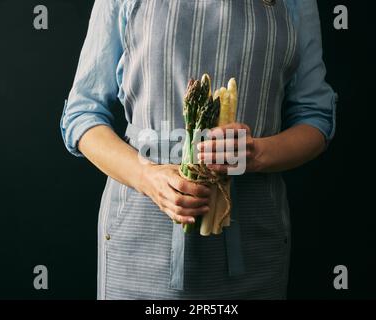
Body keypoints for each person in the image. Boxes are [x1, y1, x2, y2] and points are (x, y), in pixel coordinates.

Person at [60, 0, 337, 299]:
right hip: (139, 236)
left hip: (254, 237)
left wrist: (256, 154)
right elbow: (82, 114)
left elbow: (316, 117)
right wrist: (146, 177)